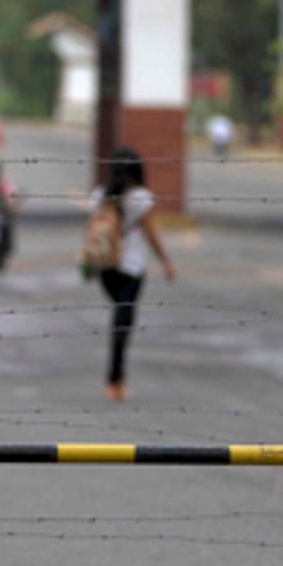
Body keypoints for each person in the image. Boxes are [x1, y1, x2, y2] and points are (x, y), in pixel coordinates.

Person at [89, 148, 175, 402]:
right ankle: (115, 379)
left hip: (105, 265)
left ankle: (115, 379)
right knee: (123, 322)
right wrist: (166, 262)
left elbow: (94, 228)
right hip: (132, 267)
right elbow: (151, 233)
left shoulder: (99, 195)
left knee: (119, 316)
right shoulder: (140, 198)